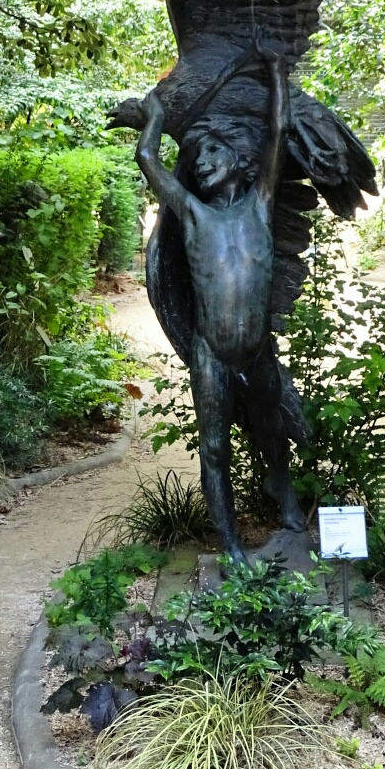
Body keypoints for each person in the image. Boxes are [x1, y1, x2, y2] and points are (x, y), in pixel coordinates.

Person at [134, 46, 305, 561]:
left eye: (212, 152)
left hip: (257, 351)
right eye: (197, 158)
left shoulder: (260, 204)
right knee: (214, 448)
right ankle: (230, 544)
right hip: (212, 353)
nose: (202, 162)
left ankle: (286, 502)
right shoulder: (191, 213)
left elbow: (278, 132)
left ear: (239, 160)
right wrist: (154, 115)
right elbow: (148, 160)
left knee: (273, 432)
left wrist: (275, 70)